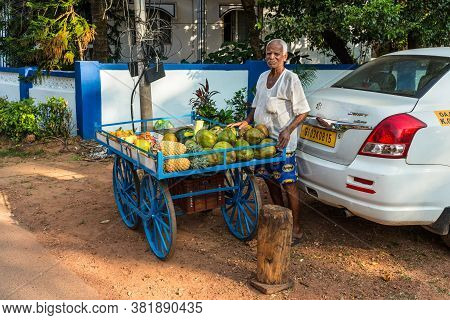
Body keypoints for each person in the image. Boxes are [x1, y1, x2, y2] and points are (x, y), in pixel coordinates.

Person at [228, 39, 310, 244]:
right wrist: (247, 121)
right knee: (270, 180)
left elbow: (303, 112)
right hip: (263, 142)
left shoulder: (291, 79)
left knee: (289, 184)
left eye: (276, 54)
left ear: (285, 57)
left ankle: (297, 228)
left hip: (283, 144)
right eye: (268, 54)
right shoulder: (263, 77)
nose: (271, 57)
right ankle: (281, 221)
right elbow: (256, 106)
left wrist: (288, 130)